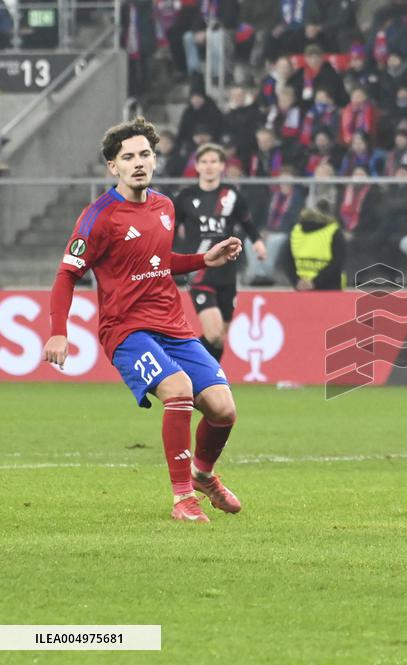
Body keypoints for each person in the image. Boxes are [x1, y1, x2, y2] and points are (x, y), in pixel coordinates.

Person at [43, 117, 245, 524]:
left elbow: (157, 261)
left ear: (155, 159)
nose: (138, 163)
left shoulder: (164, 207)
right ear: (112, 166)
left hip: (173, 326)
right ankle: (182, 498)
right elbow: (67, 274)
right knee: (179, 389)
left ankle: (202, 475)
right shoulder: (98, 217)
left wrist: (202, 260)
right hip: (126, 330)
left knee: (223, 410)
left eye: (145, 154)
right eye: (128, 157)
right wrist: (58, 332)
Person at [173, 143, 266, 361]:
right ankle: (183, 362)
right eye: (204, 162)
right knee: (213, 332)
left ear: (222, 165)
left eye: (214, 161)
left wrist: (257, 241)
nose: (209, 166)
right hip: (200, 271)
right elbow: (171, 230)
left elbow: (246, 221)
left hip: (227, 273)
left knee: (220, 337)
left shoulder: (231, 194)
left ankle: (209, 377)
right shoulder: (185, 196)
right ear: (197, 166)